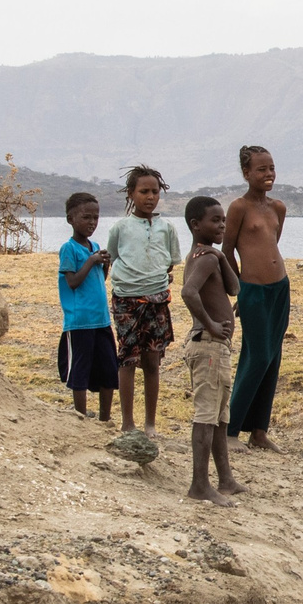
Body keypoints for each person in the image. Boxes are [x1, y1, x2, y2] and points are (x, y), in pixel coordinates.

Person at [102, 164, 187, 439]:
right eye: (144, 191)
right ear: (131, 194)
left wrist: (158, 283)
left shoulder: (166, 228)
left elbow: (171, 263)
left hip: (158, 301)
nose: (150, 197)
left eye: (155, 191)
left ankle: (150, 424)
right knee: (127, 359)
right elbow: (114, 256)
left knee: (152, 362)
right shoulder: (120, 228)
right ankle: (128, 422)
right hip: (127, 301)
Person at [175, 195, 246, 503]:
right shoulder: (202, 258)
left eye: (223, 221)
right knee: (207, 415)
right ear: (195, 225)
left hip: (217, 348)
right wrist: (210, 324)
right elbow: (188, 293)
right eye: (214, 221)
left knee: (220, 415)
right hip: (208, 346)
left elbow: (234, 288)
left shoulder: (209, 257)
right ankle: (199, 485)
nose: (221, 226)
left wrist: (221, 257)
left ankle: (225, 479)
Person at [222, 143, 290, 448]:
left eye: (271, 168)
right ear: (246, 172)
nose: (268, 174)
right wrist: (238, 290)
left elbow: (272, 244)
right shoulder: (238, 207)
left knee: (272, 358)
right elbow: (227, 252)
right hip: (253, 291)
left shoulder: (278, 208)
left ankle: (259, 432)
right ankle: (230, 429)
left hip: (280, 288)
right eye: (261, 169)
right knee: (257, 355)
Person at [55, 191, 117, 422]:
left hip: (101, 319)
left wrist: (104, 264)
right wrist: (91, 260)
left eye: (95, 218)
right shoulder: (69, 249)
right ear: (71, 219)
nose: (92, 223)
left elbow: (99, 279)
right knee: (80, 370)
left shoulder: (95, 245)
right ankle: (80, 417)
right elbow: (72, 282)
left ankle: (105, 419)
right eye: (86, 217)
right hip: (80, 321)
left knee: (108, 368)